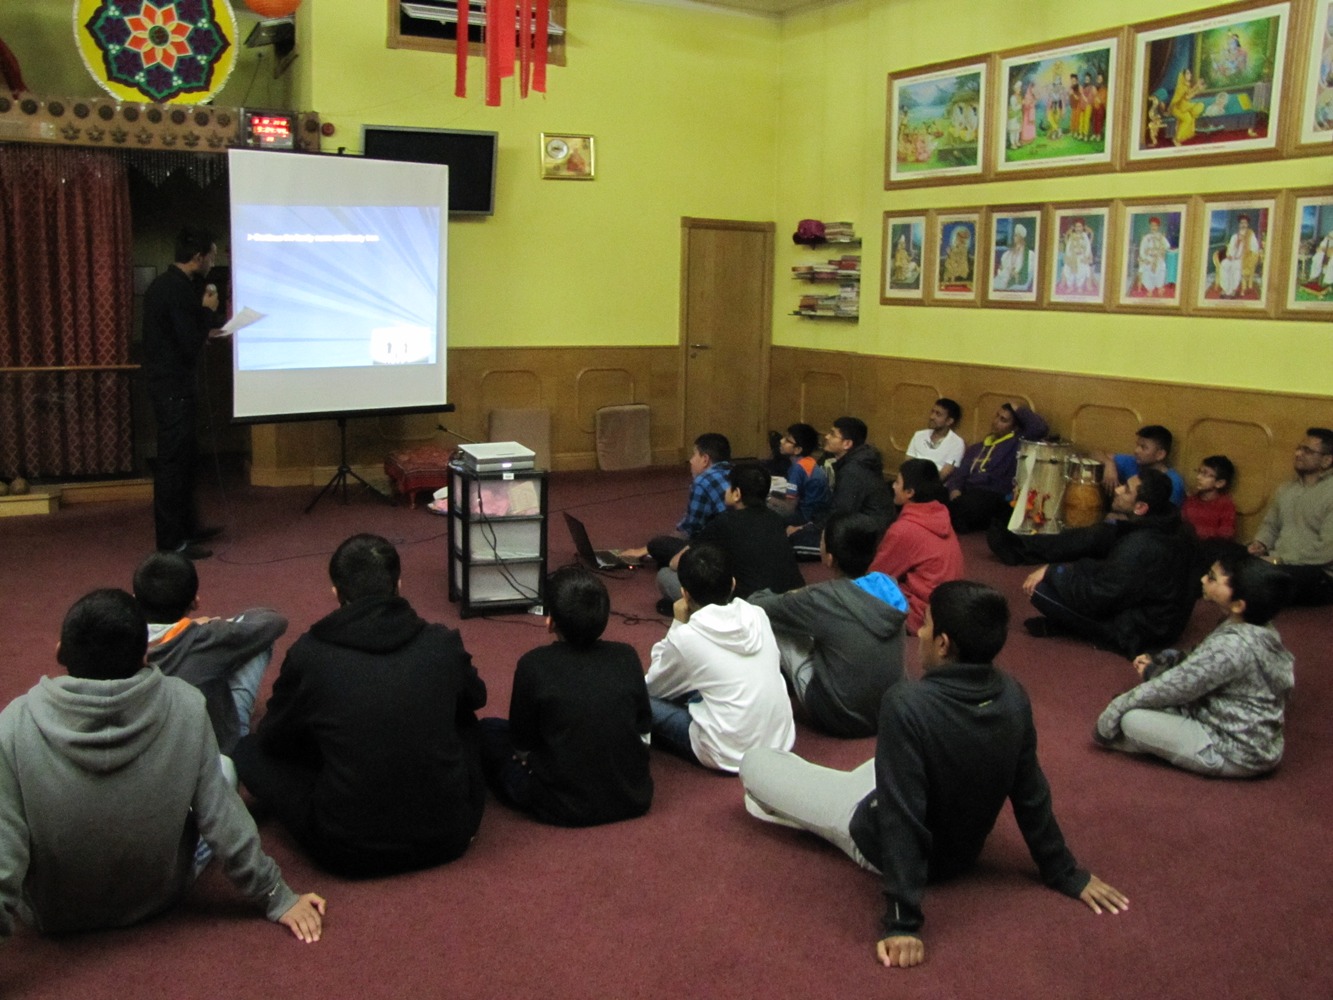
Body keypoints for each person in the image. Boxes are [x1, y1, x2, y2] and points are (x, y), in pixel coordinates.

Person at [740, 581, 1127, 970]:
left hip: (872, 832)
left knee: (755, 763)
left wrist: (902, 921)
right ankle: (818, 786)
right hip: (959, 850)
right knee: (882, 767)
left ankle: (805, 799)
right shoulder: (1013, 694)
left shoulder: (906, 704)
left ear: (942, 644)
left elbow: (901, 814)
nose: (919, 634)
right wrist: (1063, 872)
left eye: (925, 626)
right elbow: (1030, 791)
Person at [0, 589, 324, 942]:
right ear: (144, 655)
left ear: (60, 651)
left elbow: (6, 848)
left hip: (52, 912)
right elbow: (222, 819)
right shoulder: (186, 706)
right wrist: (276, 895)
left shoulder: (12, 725)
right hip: (159, 896)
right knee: (225, 770)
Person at [233, 534, 487, 877]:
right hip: (451, 833)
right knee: (464, 718)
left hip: (347, 850)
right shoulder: (442, 642)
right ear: (398, 584)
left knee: (249, 750)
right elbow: (477, 699)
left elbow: (274, 738)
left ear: (337, 593)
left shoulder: (310, 655)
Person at [479, 567, 653, 826]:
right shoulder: (626, 655)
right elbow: (643, 725)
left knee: (486, 732)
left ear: (550, 621)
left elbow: (521, 745)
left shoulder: (533, 664)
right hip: (632, 796)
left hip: (562, 805)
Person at [1095, 553, 1294, 778]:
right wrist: (1161, 664)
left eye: (1212, 578)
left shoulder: (1232, 646)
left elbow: (1174, 687)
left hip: (1236, 754)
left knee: (1131, 720)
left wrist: (1113, 714)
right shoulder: (1259, 626)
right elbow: (1199, 663)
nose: (1202, 580)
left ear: (1238, 604)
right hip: (1257, 742)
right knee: (1148, 703)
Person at [749, 512, 909, 738]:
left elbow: (759, 606)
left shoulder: (822, 598)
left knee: (775, 624)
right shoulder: (888, 585)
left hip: (841, 717)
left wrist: (794, 596)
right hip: (889, 710)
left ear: (830, 558)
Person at [643, 543, 795, 773]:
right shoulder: (757, 614)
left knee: (638, 698)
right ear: (733, 583)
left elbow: (654, 686)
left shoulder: (687, 637)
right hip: (779, 739)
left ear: (684, 593)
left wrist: (677, 622)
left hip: (727, 752)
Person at [1020, 469, 1199, 656]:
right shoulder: (1179, 528)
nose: (1119, 490)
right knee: (1092, 551)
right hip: (1166, 621)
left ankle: (1088, 632)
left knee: (1040, 590)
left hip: (1142, 632)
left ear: (1141, 508)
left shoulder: (1139, 546)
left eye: (1127, 490)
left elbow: (1097, 597)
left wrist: (1053, 572)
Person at [133, 550, 286, 757]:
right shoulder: (209, 635)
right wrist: (215, 625)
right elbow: (274, 622)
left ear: (135, 599)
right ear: (195, 601)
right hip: (216, 747)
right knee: (256, 640)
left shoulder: (123, 639)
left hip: (150, 746)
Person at [142, 227, 224, 561]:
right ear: (198, 257)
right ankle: (171, 542)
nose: (213, 262)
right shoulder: (173, 290)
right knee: (173, 465)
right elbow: (188, 346)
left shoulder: (173, 285)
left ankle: (188, 529)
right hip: (172, 388)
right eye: (212, 256)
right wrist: (207, 312)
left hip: (175, 386)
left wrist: (208, 323)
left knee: (187, 460)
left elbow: (185, 335)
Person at [656, 462, 804, 611]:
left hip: (750, 606)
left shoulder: (723, 522)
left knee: (665, 575)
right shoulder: (776, 519)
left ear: (737, 494)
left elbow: (676, 563)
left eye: (729, 487)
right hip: (793, 599)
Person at [869, 460, 964, 635]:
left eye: (897, 482)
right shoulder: (939, 514)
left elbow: (876, 577)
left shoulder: (905, 529)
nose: (894, 487)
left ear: (910, 493)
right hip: (946, 609)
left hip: (919, 614)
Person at [1247, 428, 1333, 606]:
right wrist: (1260, 543)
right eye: (1299, 448)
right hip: (1279, 561)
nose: (1298, 454)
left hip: (1318, 572)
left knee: (1263, 579)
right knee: (1223, 554)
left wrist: (1280, 560)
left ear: (1327, 460)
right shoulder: (1286, 489)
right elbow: (1271, 525)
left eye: (1307, 451)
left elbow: (1327, 551)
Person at [620, 433, 731, 568]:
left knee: (658, 546)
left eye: (694, 455)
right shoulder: (736, 472)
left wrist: (647, 549)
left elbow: (690, 528)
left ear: (705, 459)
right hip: (741, 543)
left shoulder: (703, 482)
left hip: (719, 551)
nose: (691, 460)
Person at [790, 417, 895, 557]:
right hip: (862, 526)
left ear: (847, 444)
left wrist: (805, 529)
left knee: (792, 540)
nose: (827, 437)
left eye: (832, 434)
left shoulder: (853, 471)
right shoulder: (855, 462)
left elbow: (840, 513)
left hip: (865, 536)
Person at [945, 402, 1049, 533]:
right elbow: (960, 474)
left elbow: (1039, 428)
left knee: (970, 504)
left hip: (994, 496)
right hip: (968, 495)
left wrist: (1018, 409)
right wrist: (955, 490)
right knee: (937, 493)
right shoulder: (977, 447)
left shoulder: (1015, 443)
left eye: (1003, 420)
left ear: (1014, 428)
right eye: (997, 416)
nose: (995, 422)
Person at [1102, 424, 1186, 507]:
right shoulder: (1133, 461)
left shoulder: (1173, 482)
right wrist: (1109, 463)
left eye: (1144, 447)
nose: (1136, 451)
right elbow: (1095, 453)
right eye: (1137, 445)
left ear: (1160, 454)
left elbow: (1166, 515)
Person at [774, 422, 831, 529]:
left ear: (798, 449)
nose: (781, 441)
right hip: (817, 513)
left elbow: (789, 508)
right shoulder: (808, 462)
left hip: (807, 517)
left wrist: (768, 500)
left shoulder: (798, 469)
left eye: (787, 440)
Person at [1181, 455, 1237, 542]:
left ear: (1219, 483)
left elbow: (1226, 533)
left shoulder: (1226, 505)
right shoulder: (1191, 500)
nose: (1198, 477)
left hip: (1211, 548)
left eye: (1205, 474)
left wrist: (1200, 534)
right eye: (1199, 472)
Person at [905, 398, 965, 478]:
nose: (932, 417)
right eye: (932, 412)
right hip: (911, 482)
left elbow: (944, 474)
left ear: (949, 421)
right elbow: (907, 465)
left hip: (935, 486)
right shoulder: (919, 435)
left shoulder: (957, 443)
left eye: (938, 414)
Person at [1214, 214, 1262, 298]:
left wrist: (1245, 243)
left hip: (1243, 259)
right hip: (1232, 258)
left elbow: (1255, 249)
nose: (1243, 225)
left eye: (1245, 223)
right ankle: (1225, 289)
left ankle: (1232, 290)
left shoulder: (1251, 236)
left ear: (1247, 225)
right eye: (1241, 223)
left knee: (1235, 267)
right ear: (1239, 225)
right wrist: (1229, 255)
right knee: (1224, 264)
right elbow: (1230, 250)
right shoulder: (1234, 236)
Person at [1168, 67, 1205, 145]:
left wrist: (1197, 86)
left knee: (1192, 114)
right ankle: (1176, 139)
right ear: (1183, 76)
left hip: (1183, 106)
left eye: (1190, 73)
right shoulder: (1181, 86)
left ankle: (1181, 136)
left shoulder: (1185, 85)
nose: (1190, 75)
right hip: (1176, 108)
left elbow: (1189, 93)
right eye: (1188, 73)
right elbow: (1187, 97)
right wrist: (1198, 89)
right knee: (1188, 119)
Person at [992, 223, 1034, 292]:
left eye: (1016, 235)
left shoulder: (1029, 254)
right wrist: (1002, 269)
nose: (1014, 237)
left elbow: (1026, 273)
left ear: (1021, 237)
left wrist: (1015, 274)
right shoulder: (1008, 253)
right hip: (1004, 277)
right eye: (1014, 235)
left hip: (1013, 280)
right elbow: (1002, 267)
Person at [1137, 216, 1171, 296]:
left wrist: (1162, 250)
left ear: (1158, 227)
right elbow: (1142, 250)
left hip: (1158, 258)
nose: (1153, 227)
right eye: (1152, 225)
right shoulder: (1146, 237)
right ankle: (1150, 289)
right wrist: (1145, 259)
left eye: (1155, 226)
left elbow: (1167, 246)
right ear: (1150, 226)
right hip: (1149, 258)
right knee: (1147, 271)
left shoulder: (1161, 237)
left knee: (1161, 269)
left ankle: (1159, 287)